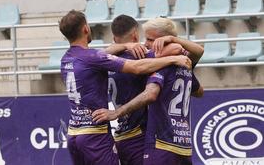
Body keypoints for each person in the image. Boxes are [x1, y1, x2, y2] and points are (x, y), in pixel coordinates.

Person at [59, 10, 191, 165]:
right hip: (98, 133)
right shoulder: (97, 58)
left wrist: (125, 45)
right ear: (85, 29)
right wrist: (173, 59)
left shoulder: (67, 59)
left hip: (74, 134)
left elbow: (102, 53)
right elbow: (139, 67)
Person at [93, 18, 204, 164]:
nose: (145, 44)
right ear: (135, 35)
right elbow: (199, 91)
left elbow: (151, 93)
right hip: (179, 142)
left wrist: (116, 113)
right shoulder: (168, 61)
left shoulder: (111, 61)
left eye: (150, 39)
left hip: (149, 140)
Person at [108, 15, 186, 165]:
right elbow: (176, 49)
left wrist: (123, 46)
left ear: (113, 37)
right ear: (135, 35)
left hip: (120, 134)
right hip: (138, 134)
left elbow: (100, 52)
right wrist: (170, 43)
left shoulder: (104, 59)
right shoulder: (139, 56)